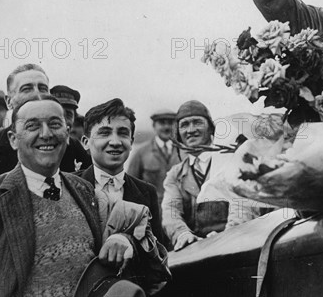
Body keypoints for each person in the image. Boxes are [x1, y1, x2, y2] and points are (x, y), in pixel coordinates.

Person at [0, 95, 148, 296]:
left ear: (67, 132)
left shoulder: (83, 189)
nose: (46, 134)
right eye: (32, 126)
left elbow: (113, 241)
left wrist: (122, 239)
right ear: (13, 139)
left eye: (55, 124)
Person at [0, 63, 92, 189]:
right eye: (27, 89)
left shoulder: (70, 146)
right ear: (8, 101)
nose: (36, 94)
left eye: (43, 88)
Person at [78, 98, 167, 246]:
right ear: (86, 142)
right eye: (104, 133)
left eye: (123, 133)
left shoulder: (146, 192)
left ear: (131, 142)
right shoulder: (70, 186)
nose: (115, 142)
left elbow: (157, 257)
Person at [161, 100, 228, 251]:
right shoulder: (174, 175)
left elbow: (243, 209)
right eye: (184, 125)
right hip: (195, 250)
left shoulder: (229, 162)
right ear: (178, 133)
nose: (190, 130)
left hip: (234, 245)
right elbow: (170, 211)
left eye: (197, 122)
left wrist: (227, 235)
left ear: (210, 128)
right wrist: (182, 234)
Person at [127, 108, 182, 210]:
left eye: (170, 123)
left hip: (178, 212)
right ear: (154, 126)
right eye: (162, 123)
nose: (166, 127)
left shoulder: (183, 153)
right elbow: (130, 186)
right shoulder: (141, 152)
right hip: (151, 212)